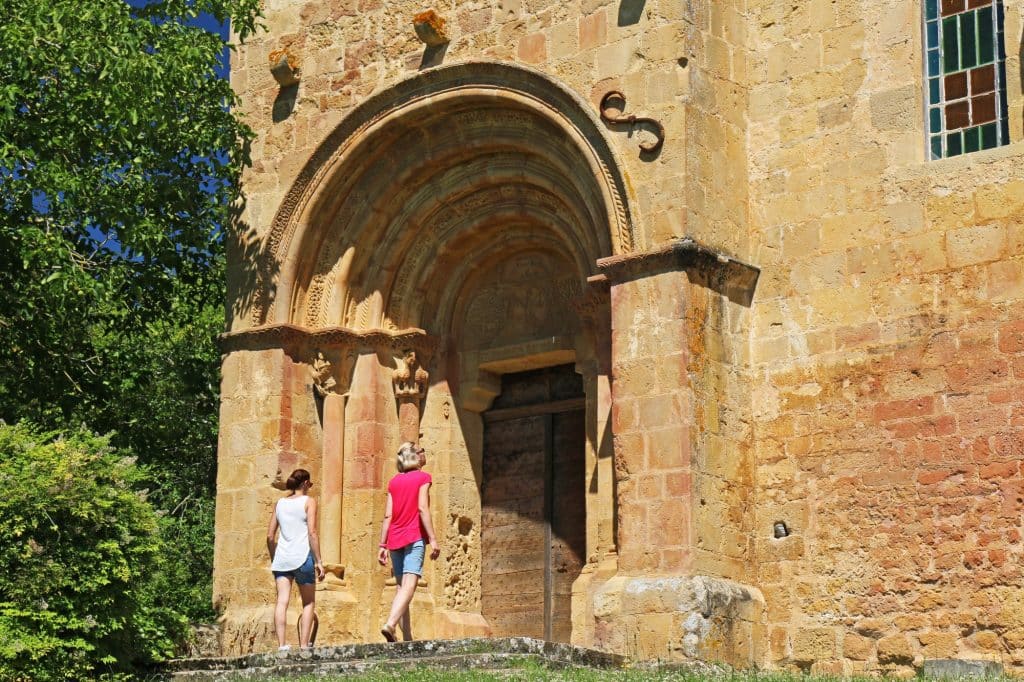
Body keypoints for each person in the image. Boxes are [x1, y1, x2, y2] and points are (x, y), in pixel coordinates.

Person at [377, 442, 441, 642]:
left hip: (395, 539)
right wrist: (432, 538)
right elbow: (422, 508)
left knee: (401, 588)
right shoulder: (423, 477)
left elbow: (388, 515)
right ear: (415, 457)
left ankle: (406, 637)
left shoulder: (394, 482)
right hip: (414, 537)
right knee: (410, 585)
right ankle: (390, 624)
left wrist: (382, 544)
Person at [267, 468, 325, 651]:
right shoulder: (309, 501)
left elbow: (269, 536)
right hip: (302, 558)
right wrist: (319, 561)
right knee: (308, 602)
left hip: (282, 560)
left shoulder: (280, 503)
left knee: (282, 601)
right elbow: (312, 533)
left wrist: (275, 558)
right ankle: (303, 646)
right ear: (306, 483)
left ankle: (282, 646)